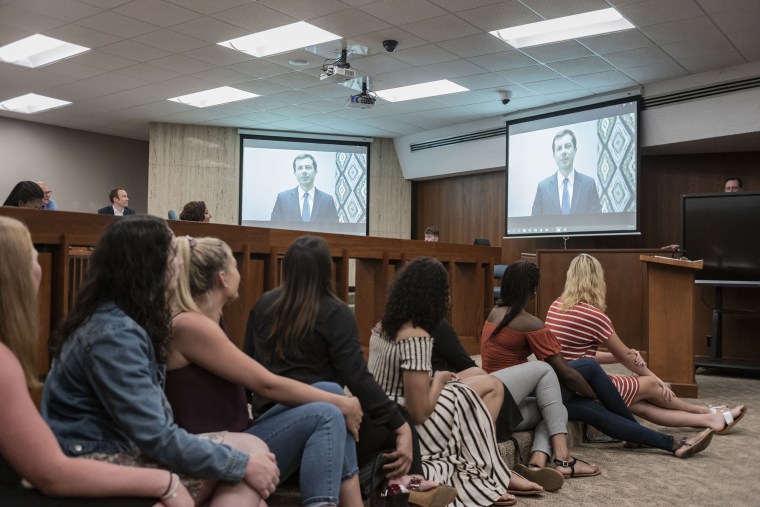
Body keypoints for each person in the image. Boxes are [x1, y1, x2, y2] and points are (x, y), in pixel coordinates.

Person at [42, 216, 279, 506]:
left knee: (251, 455)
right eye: (172, 253)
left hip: (113, 450)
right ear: (148, 264)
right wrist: (242, 465)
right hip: (98, 460)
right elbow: (157, 438)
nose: (180, 260)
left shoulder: (120, 320)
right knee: (247, 464)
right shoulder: (115, 334)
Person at [244, 236, 455, 507]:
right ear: (326, 270)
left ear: (286, 267)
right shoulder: (334, 311)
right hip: (319, 424)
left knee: (343, 410)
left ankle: (399, 483)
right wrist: (400, 427)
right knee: (379, 415)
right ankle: (409, 486)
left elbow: (249, 374)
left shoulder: (263, 305)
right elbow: (357, 377)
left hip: (273, 426)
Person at [0, 215, 192, 506]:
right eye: (33, 257)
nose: (38, 267)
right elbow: (52, 473)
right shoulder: (116, 330)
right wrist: (165, 483)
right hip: (55, 474)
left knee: (242, 461)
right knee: (236, 467)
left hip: (68, 464)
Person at [167, 234, 364, 507]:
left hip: (236, 436)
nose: (240, 273)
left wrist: (340, 400)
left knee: (328, 391)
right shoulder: (191, 326)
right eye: (235, 266)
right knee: (329, 411)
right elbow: (265, 383)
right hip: (213, 449)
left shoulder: (206, 319)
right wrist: (345, 403)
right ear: (222, 277)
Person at [481, 260, 715, 460]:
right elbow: (566, 374)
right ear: (533, 290)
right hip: (518, 406)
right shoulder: (529, 323)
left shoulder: (495, 313)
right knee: (591, 403)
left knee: (588, 369)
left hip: (504, 398)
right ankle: (667, 442)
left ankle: (666, 442)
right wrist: (596, 394)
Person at [368, 256, 547, 507]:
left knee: (488, 385)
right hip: (406, 419)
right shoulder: (417, 335)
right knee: (473, 396)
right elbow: (418, 413)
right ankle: (487, 477)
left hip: (383, 410)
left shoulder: (383, 324)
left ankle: (493, 473)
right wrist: (439, 380)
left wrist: (433, 379)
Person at [546, 253, 746, 434]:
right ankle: (706, 411)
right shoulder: (594, 315)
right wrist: (656, 378)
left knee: (641, 406)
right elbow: (626, 358)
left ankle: (711, 420)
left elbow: (578, 356)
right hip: (587, 385)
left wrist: (621, 355)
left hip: (567, 383)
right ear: (597, 280)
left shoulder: (555, 306)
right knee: (651, 385)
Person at [531, 129, 602, 216]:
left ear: (575, 150)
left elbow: (596, 222)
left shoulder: (589, 184)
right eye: (559, 148)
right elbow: (534, 224)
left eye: (567, 146)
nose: (563, 152)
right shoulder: (543, 188)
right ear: (554, 155)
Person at [270, 153, 339, 223]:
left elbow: (335, 229)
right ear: (295, 173)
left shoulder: (328, 200)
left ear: (315, 172)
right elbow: (273, 227)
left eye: (308, 167)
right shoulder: (282, 198)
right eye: (300, 168)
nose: (304, 172)